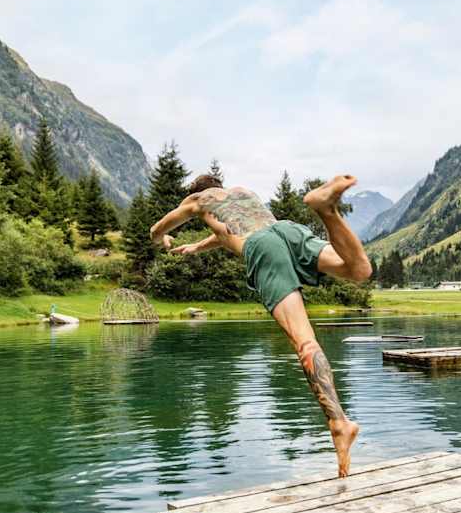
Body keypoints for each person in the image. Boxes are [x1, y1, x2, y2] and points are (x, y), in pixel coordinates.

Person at [149, 173, 371, 476]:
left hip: (263, 248)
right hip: (286, 231)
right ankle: (326, 210)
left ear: (199, 193)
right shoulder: (242, 193)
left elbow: (157, 228)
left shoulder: (198, 200)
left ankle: (339, 423)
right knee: (358, 270)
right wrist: (196, 248)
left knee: (304, 341)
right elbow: (226, 233)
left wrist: (162, 238)